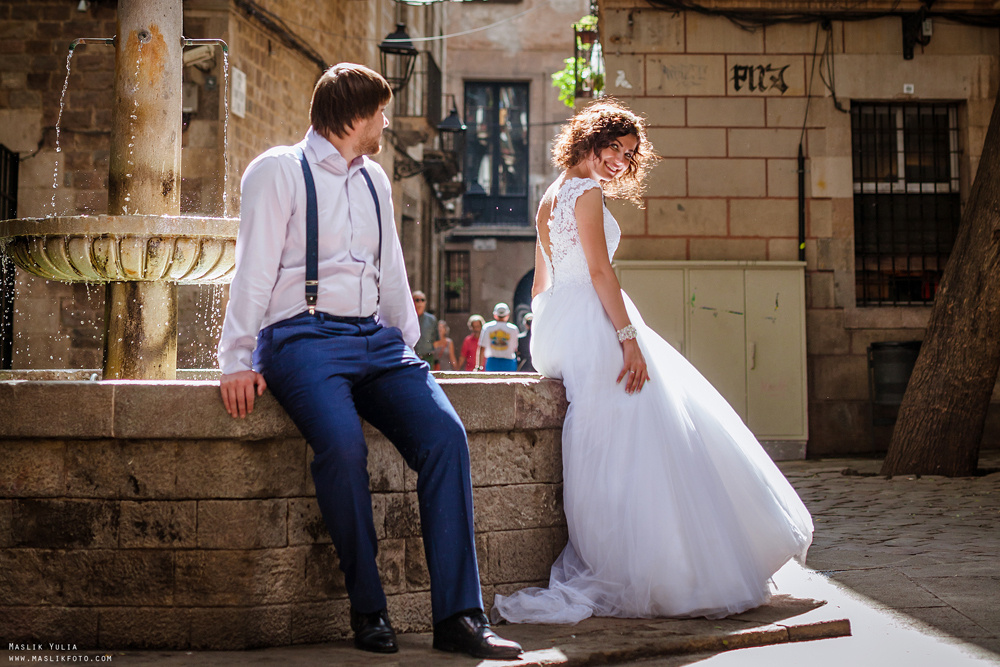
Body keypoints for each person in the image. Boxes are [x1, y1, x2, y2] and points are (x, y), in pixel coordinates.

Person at [217, 63, 521, 659]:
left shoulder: (375, 179)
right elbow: (251, 271)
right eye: (380, 112)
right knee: (343, 447)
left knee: (445, 437)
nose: (385, 121)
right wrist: (234, 358)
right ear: (355, 116)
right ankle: (368, 609)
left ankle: (459, 618)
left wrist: (409, 351)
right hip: (300, 339)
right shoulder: (279, 171)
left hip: (375, 341)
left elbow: (392, 272)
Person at [491, 99, 813, 624]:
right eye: (613, 147)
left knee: (622, 429)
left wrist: (544, 335)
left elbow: (541, 277)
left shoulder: (550, 194)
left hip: (557, 323)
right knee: (652, 419)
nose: (620, 160)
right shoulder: (587, 192)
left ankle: (640, 557)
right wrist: (628, 337)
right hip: (593, 319)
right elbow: (599, 272)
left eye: (629, 153)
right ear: (589, 139)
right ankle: (669, 565)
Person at [477, 303, 519, 372]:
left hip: (492, 362)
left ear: (495, 315)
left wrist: (479, 366)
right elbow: (515, 347)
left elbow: (482, 348)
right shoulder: (513, 329)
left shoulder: (487, 327)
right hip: (509, 362)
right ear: (508, 315)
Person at [412, 290, 437, 365]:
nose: (420, 303)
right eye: (417, 300)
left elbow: (436, 340)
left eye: (422, 300)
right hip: (411, 357)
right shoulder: (408, 318)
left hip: (427, 359)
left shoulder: (432, 319)